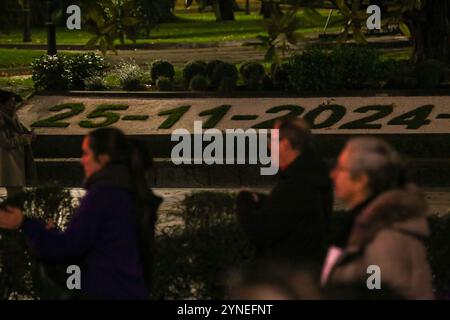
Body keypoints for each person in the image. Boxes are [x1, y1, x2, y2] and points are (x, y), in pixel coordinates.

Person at [0, 127, 162, 299]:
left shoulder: (103, 197)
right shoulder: (129, 190)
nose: (81, 161)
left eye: (86, 153)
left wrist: (24, 223)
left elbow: (67, 248)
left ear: (103, 158)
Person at [324, 137, 433, 299]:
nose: (333, 175)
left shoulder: (382, 237)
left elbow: (380, 292)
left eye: (340, 168)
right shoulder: (368, 227)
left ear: (361, 180)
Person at [236, 118, 332, 269]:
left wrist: (244, 200)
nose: (269, 149)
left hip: (291, 279)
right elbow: (289, 213)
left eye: (273, 143)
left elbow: (260, 231)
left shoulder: (296, 184)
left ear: (285, 145)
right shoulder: (314, 178)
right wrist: (263, 200)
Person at [0, 89, 36, 197]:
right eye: (11, 101)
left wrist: (30, 134)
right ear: (2, 104)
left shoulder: (13, 117)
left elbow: (22, 131)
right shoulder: (1, 121)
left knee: (18, 194)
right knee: (13, 195)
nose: (14, 103)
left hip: (18, 160)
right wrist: (23, 139)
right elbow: (4, 143)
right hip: (7, 161)